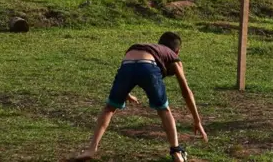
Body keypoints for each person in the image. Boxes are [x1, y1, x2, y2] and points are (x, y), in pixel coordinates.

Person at [74, 32, 208, 162]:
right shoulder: (173, 57)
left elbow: (129, 69)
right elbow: (186, 91)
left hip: (127, 63)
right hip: (148, 67)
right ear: (177, 51)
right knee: (164, 110)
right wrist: (197, 120)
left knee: (109, 108)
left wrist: (125, 93)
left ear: (159, 44)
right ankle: (176, 152)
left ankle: (91, 149)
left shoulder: (148, 48)